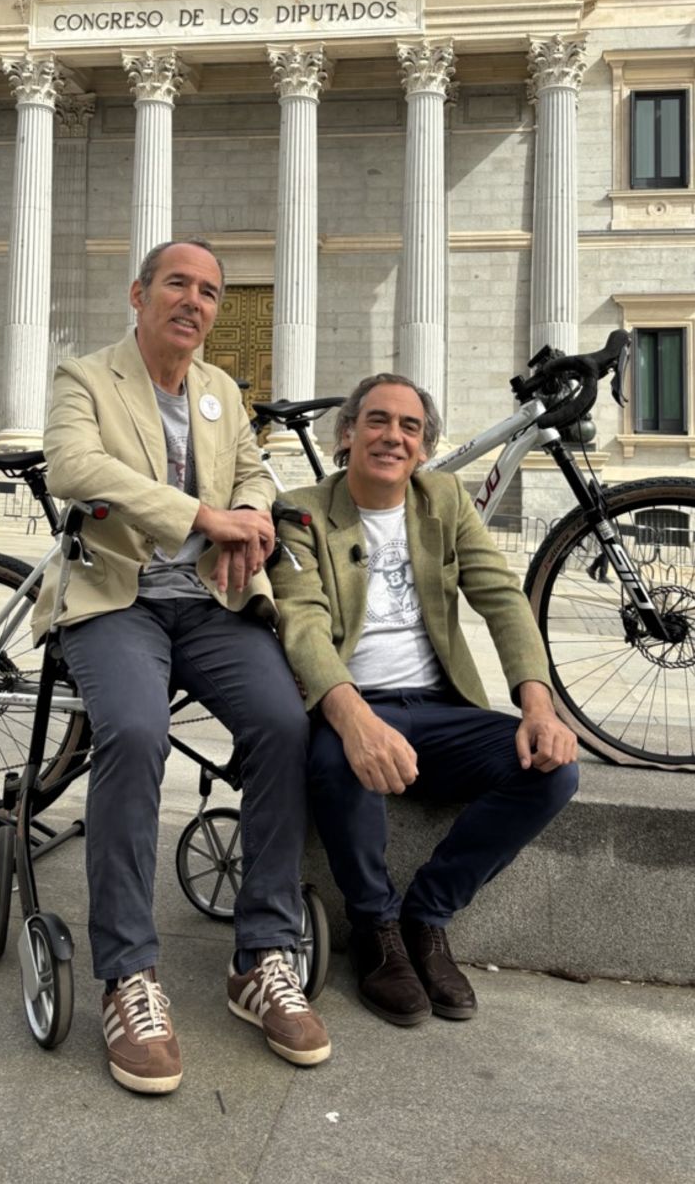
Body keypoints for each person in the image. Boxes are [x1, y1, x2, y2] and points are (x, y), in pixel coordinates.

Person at [33, 239, 330, 1094]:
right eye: (178, 284)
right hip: (116, 597)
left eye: (209, 290)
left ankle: (263, 957)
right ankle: (130, 973)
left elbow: (256, 470)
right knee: (133, 728)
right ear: (139, 293)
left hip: (209, 602)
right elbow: (73, 467)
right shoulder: (86, 378)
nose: (194, 302)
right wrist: (203, 512)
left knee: (281, 724)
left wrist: (250, 511)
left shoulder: (220, 389)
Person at [269, 374, 579, 1027]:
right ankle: (376, 928)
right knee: (335, 762)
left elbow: (501, 597)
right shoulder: (298, 512)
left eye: (410, 427)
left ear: (424, 445)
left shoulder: (444, 500)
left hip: (441, 707)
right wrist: (354, 721)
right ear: (346, 433)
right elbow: (299, 622)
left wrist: (538, 705)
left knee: (552, 770)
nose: (393, 436)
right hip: (351, 699)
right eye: (378, 421)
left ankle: (428, 913)